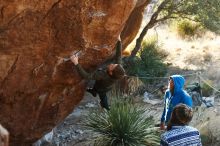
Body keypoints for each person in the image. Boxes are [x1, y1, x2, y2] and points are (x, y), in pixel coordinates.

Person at [70, 35, 125, 110]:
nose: (112, 64)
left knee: (102, 96)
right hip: (106, 85)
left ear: (111, 72)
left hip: (103, 88)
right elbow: (119, 55)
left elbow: (86, 76)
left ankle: (106, 108)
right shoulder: (118, 68)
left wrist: (76, 63)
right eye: (114, 64)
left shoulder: (102, 75)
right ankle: (93, 92)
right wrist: (119, 41)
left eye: (112, 66)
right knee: (95, 88)